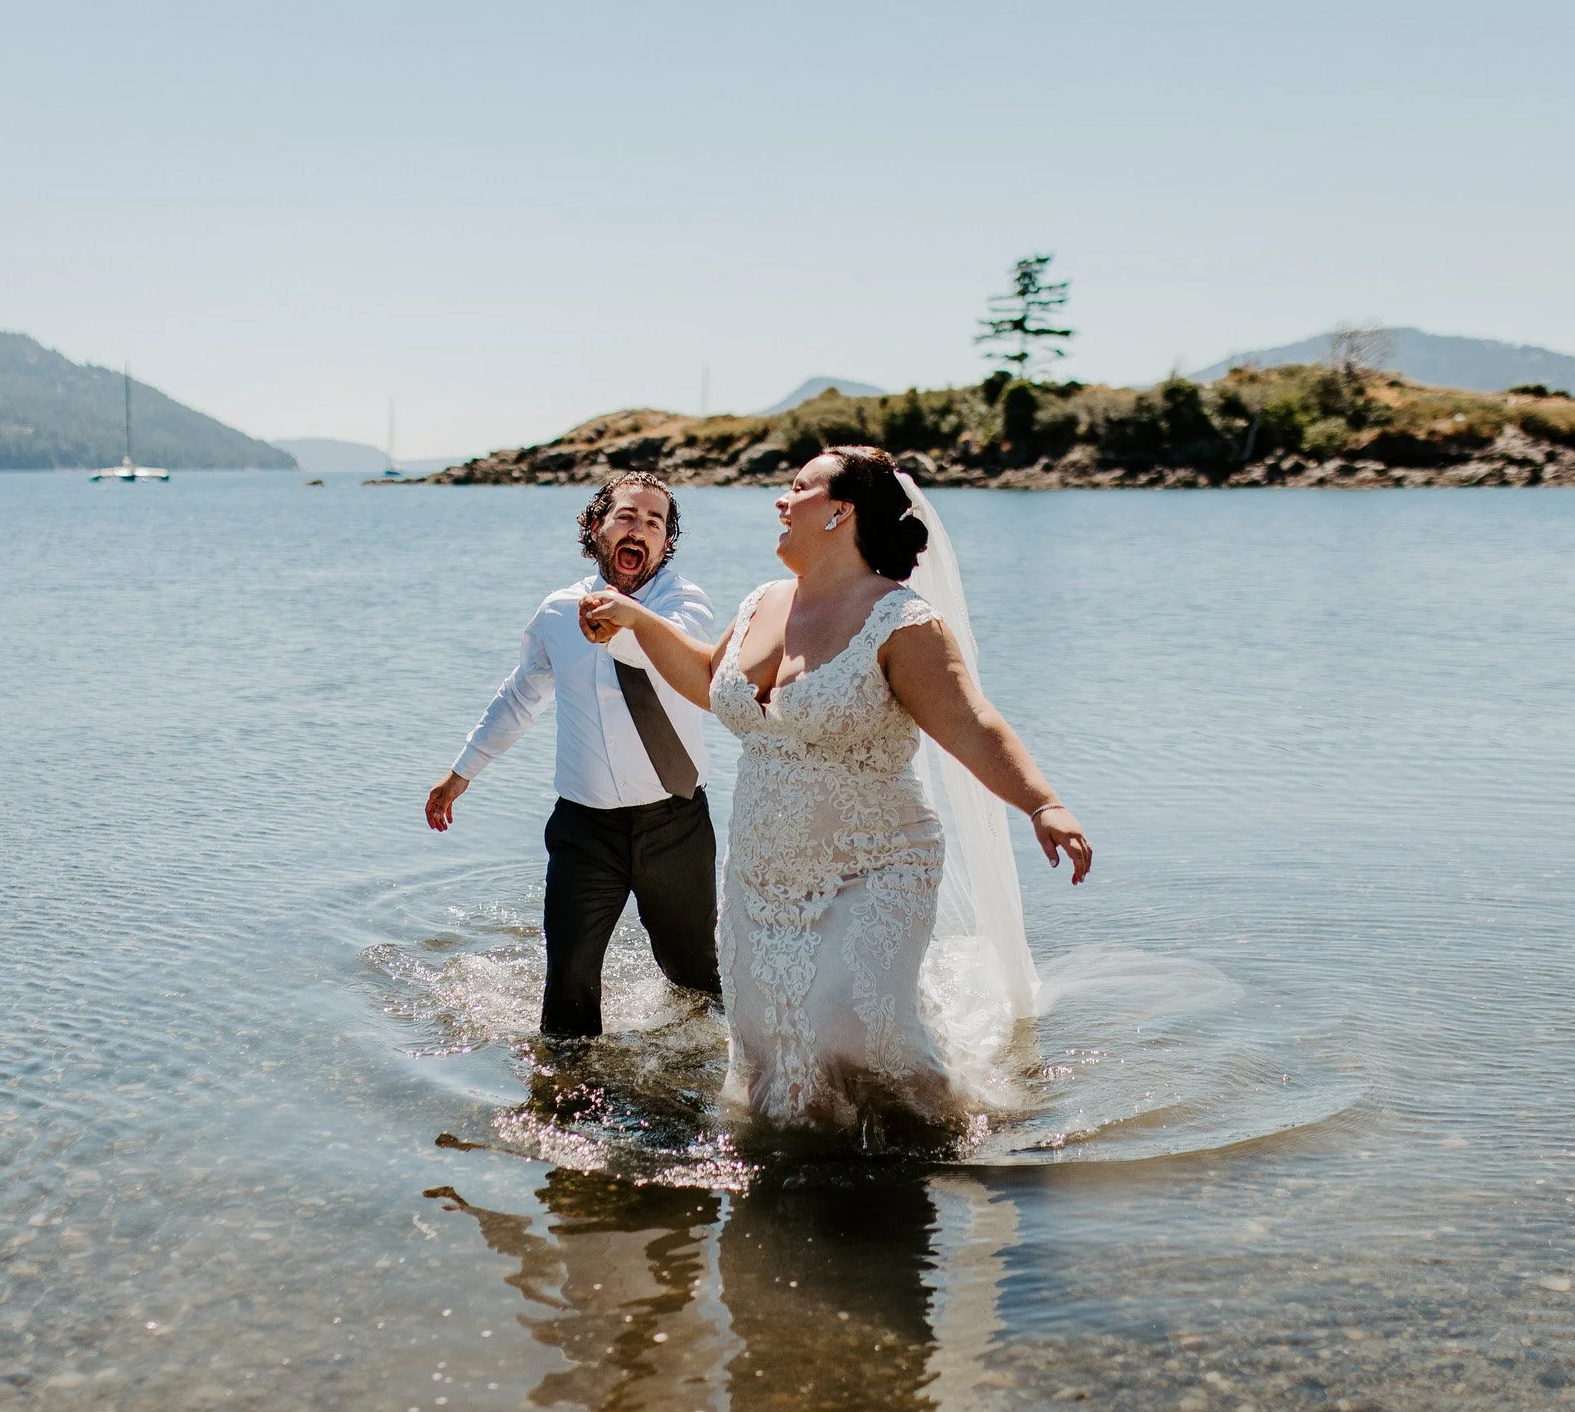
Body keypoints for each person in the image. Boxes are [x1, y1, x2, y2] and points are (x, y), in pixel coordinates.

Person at [580, 446, 1090, 1134]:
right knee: (773, 1047)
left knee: (855, 1028)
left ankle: (945, 1142)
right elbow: (709, 681)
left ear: (839, 512)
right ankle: (800, 1186)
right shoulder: (763, 601)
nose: (780, 501)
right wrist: (639, 622)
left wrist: (1043, 802)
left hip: (875, 868)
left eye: (798, 489)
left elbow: (972, 723)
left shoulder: (901, 622)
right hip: (761, 878)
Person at [426, 473, 722, 1037]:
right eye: (627, 517)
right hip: (584, 830)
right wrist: (461, 772)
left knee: (693, 975)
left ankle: (708, 1077)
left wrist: (625, 619)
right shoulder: (558, 612)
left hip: (674, 826)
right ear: (596, 528)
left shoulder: (682, 605)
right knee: (568, 979)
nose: (641, 530)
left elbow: (669, 662)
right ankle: (562, 1096)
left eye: (655, 524)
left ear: (665, 545)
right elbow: (519, 696)